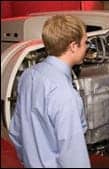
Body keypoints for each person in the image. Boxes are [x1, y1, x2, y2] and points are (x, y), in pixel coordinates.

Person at [8, 15, 91, 168]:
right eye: (85, 42)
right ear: (73, 46)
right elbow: (73, 155)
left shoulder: (29, 75)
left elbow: (16, 131)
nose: (87, 47)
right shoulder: (65, 94)